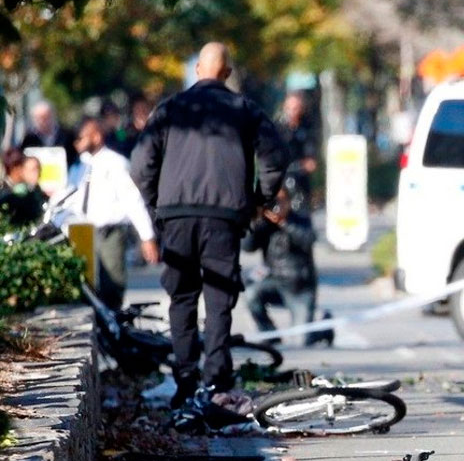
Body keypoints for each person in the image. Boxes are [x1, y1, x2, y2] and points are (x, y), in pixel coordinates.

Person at [131, 42, 288, 408]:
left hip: (176, 217)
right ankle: (215, 382)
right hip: (224, 217)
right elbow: (276, 156)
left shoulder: (170, 109)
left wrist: (158, 203)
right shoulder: (244, 109)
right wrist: (258, 201)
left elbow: (141, 166)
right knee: (219, 301)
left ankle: (185, 381)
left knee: (182, 298)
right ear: (228, 73)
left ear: (198, 69)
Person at [69, 117, 160, 310]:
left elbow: (132, 200)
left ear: (96, 136)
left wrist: (147, 237)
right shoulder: (79, 166)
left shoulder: (115, 163)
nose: (77, 143)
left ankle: (114, 327)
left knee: (112, 284)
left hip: (109, 233)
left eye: (82, 138)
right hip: (82, 233)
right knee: (86, 287)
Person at [242, 188, 332, 347]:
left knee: (301, 341)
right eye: (274, 202)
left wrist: (284, 222)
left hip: (300, 288)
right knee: (250, 294)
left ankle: (324, 329)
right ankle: (269, 332)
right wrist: (256, 221)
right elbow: (248, 247)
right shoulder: (265, 225)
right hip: (274, 283)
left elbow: (308, 240)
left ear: (289, 202)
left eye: (281, 201)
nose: (277, 205)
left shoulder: (300, 220)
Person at [277, 91, 318, 213]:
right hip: (281, 177)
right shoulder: (278, 127)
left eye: (296, 108)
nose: (292, 111)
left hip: (300, 178)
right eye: (289, 108)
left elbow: (310, 160)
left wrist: (306, 163)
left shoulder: (307, 127)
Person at [19, 101, 78, 170]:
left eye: (45, 117)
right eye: (38, 118)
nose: (41, 121)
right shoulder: (29, 139)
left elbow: (74, 157)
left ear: (52, 116)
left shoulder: (67, 135)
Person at [0, 150, 47, 226]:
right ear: (16, 168)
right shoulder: (7, 194)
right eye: (33, 170)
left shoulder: (35, 193)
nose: (38, 174)